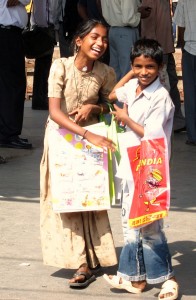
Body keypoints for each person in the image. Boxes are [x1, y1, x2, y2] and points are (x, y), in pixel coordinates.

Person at [40, 19, 118, 288]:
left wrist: (94, 109)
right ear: (79, 40)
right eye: (94, 37)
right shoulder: (59, 66)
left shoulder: (106, 72)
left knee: (92, 199)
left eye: (104, 39)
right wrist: (87, 133)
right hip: (62, 142)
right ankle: (80, 263)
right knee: (69, 202)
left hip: (91, 145)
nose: (100, 43)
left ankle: (96, 256)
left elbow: (114, 108)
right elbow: (55, 112)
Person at [103, 39, 179, 300]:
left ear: (160, 67)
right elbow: (113, 94)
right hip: (129, 165)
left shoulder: (160, 97)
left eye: (150, 67)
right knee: (129, 223)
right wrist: (131, 72)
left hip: (150, 168)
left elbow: (151, 136)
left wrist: (126, 119)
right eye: (139, 66)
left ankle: (166, 278)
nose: (144, 72)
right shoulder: (134, 86)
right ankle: (135, 279)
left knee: (149, 225)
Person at [140, 0, 186, 133]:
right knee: (162, 85)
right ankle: (163, 121)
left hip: (165, 45)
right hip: (157, 47)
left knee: (171, 82)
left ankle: (177, 121)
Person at [0, 0, 32, 149]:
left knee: (8, 85)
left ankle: (7, 132)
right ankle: (8, 134)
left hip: (10, 34)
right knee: (13, 85)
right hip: (6, 34)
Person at [100, 0, 141, 81]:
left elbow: (105, 14)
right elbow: (128, 19)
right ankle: (126, 92)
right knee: (128, 69)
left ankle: (115, 91)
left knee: (115, 69)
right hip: (126, 30)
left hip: (113, 29)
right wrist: (140, 15)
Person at [173, 0, 196, 145]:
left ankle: (193, 136)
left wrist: (181, 45)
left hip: (189, 50)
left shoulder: (184, 1)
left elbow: (180, 26)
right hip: (189, 49)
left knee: (190, 93)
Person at [31, 0, 56, 110]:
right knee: (43, 66)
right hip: (44, 28)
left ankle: (40, 98)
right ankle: (39, 99)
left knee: (43, 65)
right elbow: (41, 10)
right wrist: (44, 26)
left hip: (45, 27)